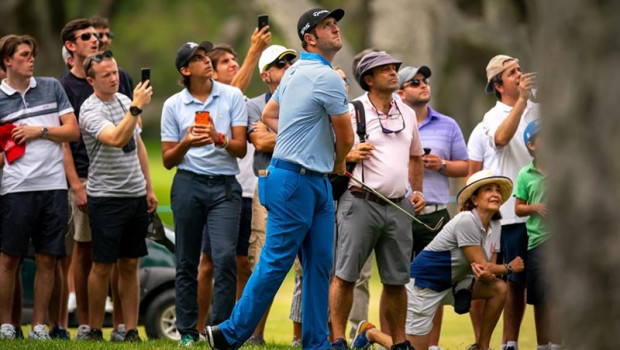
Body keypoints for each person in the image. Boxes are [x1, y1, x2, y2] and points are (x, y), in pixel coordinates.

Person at [205, 7, 353, 350]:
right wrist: (338, 164)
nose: (335, 29)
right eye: (326, 25)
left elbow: (271, 114)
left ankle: (316, 343)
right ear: (310, 38)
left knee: (319, 267)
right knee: (275, 263)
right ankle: (228, 334)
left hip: (311, 182)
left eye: (334, 23)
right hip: (294, 181)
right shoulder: (326, 76)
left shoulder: (294, 72)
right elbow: (344, 138)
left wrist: (301, 135)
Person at [329, 51, 424, 350]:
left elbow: (416, 156)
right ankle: (338, 340)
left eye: (394, 67)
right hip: (359, 201)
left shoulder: (407, 112)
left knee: (396, 281)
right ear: (368, 79)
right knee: (346, 275)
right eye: (385, 69)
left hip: (398, 205)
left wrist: (417, 191)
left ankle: (399, 343)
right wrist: (347, 156)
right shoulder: (351, 110)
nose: (393, 72)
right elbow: (327, 155)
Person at [161, 40, 247, 346]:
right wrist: (186, 143)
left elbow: (240, 148)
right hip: (187, 184)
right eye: (198, 59)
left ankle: (219, 329)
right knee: (186, 260)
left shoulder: (232, 96)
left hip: (224, 186)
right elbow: (168, 159)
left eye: (205, 56)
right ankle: (187, 331)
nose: (206, 61)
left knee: (224, 258)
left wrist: (217, 137)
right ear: (186, 70)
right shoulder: (173, 105)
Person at [0, 34, 80, 340]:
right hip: (15, 189)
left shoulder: (51, 87)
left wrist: (40, 131)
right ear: (8, 61)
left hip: (53, 187)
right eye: (24, 54)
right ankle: (7, 325)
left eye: (32, 54)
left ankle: (38, 328)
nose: (31, 59)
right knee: (9, 258)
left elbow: (73, 132)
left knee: (48, 257)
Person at [59, 18, 135, 339]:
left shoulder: (122, 86)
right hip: (86, 177)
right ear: (70, 47)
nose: (97, 39)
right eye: (88, 36)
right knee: (87, 252)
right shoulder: (65, 86)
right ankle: (87, 325)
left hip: (123, 181)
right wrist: (76, 184)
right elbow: (65, 140)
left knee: (124, 258)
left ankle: (122, 325)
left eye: (100, 35)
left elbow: (134, 136)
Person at [196, 30, 270, 336]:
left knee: (244, 265)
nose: (232, 64)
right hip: (220, 191)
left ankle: (239, 329)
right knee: (209, 264)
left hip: (248, 190)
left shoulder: (247, 104)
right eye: (225, 61)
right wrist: (254, 50)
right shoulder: (212, 101)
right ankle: (197, 329)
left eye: (234, 60)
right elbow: (233, 93)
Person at [79, 50, 155, 342]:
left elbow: (137, 145)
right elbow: (115, 138)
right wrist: (135, 109)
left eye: (115, 72)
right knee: (102, 265)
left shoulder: (125, 100)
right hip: (106, 196)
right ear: (91, 80)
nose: (114, 78)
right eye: (106, 75)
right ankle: (95, 329)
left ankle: (131, 329)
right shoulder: (89, 110)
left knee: (130, 264)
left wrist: (148, 187)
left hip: (134, 194)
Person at [407, 170, 524, 350]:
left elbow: (487, 268)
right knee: (412, 349)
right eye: (488, 189)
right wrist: (509, 267)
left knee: (499, 288)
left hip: (453, 283)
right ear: (474, 199)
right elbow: (484, 265)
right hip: (423, 286)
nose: (495, 194)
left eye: (497, 190)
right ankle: (371, 333)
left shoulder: (495, 224)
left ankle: (482, 346)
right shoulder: (466, 220)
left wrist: (487, 275)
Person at [397, 64, 469, 350]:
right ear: (401, 93)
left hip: (436, 214)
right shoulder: (394, 122)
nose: (423, 85)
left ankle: (432, 345)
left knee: (434, 283)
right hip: (399, 210)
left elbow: (465, 165)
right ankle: (397, 341)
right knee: (396, 280)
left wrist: (441, 164)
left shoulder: (447, 124)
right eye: (414, 83)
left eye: (425, 81)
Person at [481, 54, 539, 350]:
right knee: (515, 282)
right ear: (498, 84)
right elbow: (502, 139)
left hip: (546, 212)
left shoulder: (540, 109)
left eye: (519, 69)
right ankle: (510, 343)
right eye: (512, 72)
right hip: (512, 214)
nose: (519, 75)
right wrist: (522, 103)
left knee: (545, 286)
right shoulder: (492, 117)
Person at [244, 44, 297, 345]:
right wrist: (296, 137)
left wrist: (273, 135)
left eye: (291, 60)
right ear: (266, 75)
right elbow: (260, 144)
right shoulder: (254, 105)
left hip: (301, 184)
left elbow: (269, 139)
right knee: (263, 262)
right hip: (267, 185)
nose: (289, 65)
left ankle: (300, 337)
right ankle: (255, 334)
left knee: (305, 264)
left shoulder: (306, 101)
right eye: (281, 63)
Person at [514, 121, 562, 350]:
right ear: (531, 145)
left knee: (558, 297)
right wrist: (535, 207)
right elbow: (518, 208)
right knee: (539, 299)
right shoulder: (525, 174)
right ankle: (542, 345)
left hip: (562, 242)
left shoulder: (562, 168)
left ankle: (557, 344)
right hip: (537, 243)